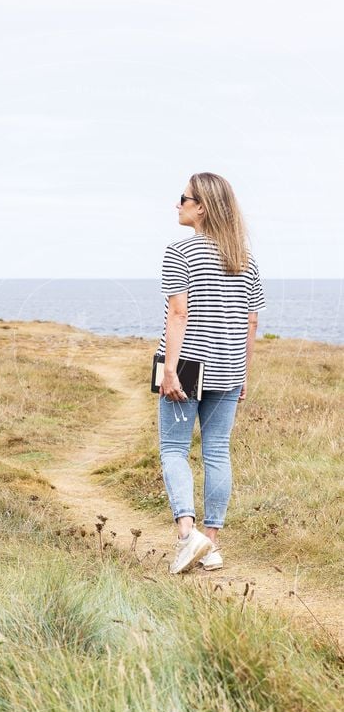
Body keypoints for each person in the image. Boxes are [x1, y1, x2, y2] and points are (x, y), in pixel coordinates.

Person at [155, 172, 267, 574]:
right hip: (230, 367)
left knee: (173, 449)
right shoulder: (245, 258)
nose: (177, 204)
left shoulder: (180, 252)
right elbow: (251, 324)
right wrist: (244, 376)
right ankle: (213, 545)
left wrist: (169, 369)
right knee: (217, 450)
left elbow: (179, 313)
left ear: (200, 207)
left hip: (187, 364)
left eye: (183, 198)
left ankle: (188, 535)